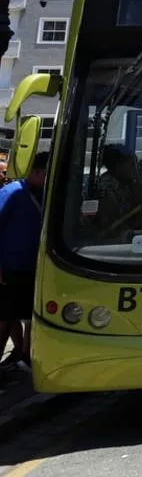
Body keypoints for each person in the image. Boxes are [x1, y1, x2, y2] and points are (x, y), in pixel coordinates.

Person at [0, 151, 50, 372]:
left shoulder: (48, 195)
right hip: (10, 269)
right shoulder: (11, 193)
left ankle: (23, 355)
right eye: (48, 174)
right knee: (5, 318)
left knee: (29, 316)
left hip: (37, 268)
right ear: (37, 172)